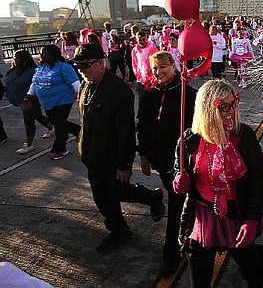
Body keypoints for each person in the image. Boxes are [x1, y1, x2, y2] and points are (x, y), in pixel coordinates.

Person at [173, 79, 263, 287]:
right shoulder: (189, 141)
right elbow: (179, 172)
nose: (231, 111)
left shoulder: (244, 136)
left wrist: (252, 219)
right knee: (199, 280)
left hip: (237, 214)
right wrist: (181, 182)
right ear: (207, 108)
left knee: (252, 267)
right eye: (223, 106)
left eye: (233, 103)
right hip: (202, 218)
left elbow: (258, 179)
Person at [71, 43, 165, 253]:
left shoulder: (118, 90)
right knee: (104, 196)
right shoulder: (87, 85)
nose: (82, 71)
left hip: (111, 156)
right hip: (91, 155)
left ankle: (131, 217)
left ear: (101, 63)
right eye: (78, 67)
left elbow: (125, 131)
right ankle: (122, 225)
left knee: (114, 192)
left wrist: (124, 164)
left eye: (86, 65)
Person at [137, 51, 196, 276]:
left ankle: (171, 252)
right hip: (161, 160)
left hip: (184, 163)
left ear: (174, 65)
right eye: (155, 68)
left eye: (163, 67)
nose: (159, 72)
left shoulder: (187, 93)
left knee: (176, 203)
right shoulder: (149, 93)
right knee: (178, 201)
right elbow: (142, 124)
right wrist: (143, 154)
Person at [26, 45, 80, 160]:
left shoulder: (63, 67)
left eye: (44, 53)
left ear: (52, 55)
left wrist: (83, 96)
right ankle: (78, 131)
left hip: (63, 100)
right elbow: (34, 82)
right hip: (47, 102)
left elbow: (75, 82)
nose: (41, 55)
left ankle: (60, 149)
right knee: (57, 122)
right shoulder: (41, 67)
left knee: (60, 125)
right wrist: (29, 95)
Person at [4, 50, 54, 154]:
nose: (15, 60)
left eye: (17, 58)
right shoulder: (15, 70)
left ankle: (29, 144)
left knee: (28, 120)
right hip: (22, 99)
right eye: (15, 57)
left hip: (31, 99)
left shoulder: (33, 71)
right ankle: (50, 127)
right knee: (37, 115)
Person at [131, 30, 159, 101]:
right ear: (136, 40)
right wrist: (138, 75)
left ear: (146, 39)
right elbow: (134, 64)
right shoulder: (134, 50)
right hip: (141, 79)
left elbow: (158, 62)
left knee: (153, 100)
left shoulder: (153, 48)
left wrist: (153, 70)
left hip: (153, 79)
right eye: (140, 40)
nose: (142, 42)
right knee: (142, 100)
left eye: (144, 39)